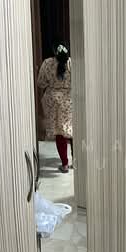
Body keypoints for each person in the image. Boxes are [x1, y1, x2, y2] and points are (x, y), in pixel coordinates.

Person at [38, 43, 73, 172]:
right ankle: (76, 162)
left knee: (59, 133)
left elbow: (41, 83)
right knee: (73, 131)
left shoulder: (47, 63)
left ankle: (65, 164)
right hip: (70, 100)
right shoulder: (72, 63)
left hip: (53, 102)